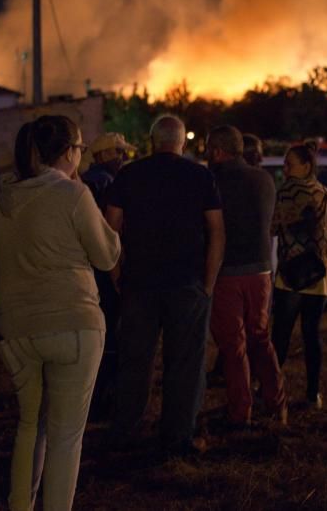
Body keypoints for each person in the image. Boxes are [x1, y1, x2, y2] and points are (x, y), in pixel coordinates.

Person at [0, 115, 120, 511]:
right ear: (67, 152)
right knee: (65, 436)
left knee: (29, 427)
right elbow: (107, 256)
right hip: (73, 325)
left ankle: (19, 505)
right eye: (80, 149)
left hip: (17, 331)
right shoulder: (73, 195)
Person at [106, 114, 225, 457]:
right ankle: (177, 437)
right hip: (187, 283)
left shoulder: (128, 174)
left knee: (134, 361)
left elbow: (110, 227)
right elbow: (216, 229)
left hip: (139, 284)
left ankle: (124, 430)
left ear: (152, 140)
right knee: (185, 363)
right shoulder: (200, 175)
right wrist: (209, 281)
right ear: (181, 143)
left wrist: (117, 274)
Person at [206, 126, 287, 428]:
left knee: (233, 345)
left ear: (216, 151)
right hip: (262, 270)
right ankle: (276, 403)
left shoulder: (214, 182)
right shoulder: (264, 179)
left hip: (229, 272)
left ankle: (240, 410)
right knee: (261, 338)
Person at [270, 142, 327, 410]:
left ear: (306, 166)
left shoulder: (286, 193)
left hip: (292, 273)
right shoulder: (325, 193)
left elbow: (273, 227)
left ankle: (270, 389)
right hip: (319, 272)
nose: (284, 170)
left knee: (281, 334)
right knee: (312, 334)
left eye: (289, 164)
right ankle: (313, 394)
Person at [80, 132, 136, 418]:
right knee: (111, 335)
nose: (124, 157)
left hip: (85, 270)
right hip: (105, 268)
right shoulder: (108, 184)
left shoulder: (84, 182)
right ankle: (104, 399)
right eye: (118, 152)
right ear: (102, 155)